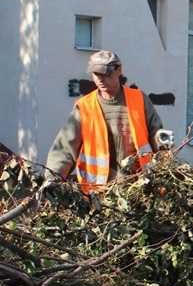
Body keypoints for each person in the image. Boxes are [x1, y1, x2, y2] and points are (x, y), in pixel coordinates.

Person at [46, 50, 163, 193]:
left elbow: (157, 137)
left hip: (138, 190)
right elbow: (64, 149)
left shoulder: (139, 99)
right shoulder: (84, 107)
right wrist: (51, 181)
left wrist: (165, 169)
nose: (100, 79)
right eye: (96, 74)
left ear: (119, 70)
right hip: (97, 194)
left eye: (105, 74)